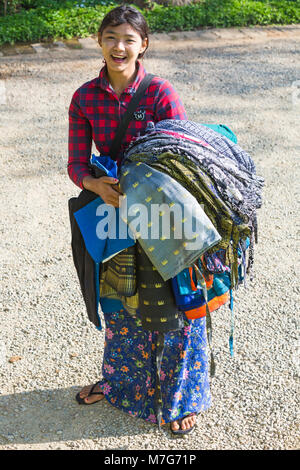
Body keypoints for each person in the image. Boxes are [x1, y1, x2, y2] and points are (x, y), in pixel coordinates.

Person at [68, 4, 211, 435]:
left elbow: (182, 158)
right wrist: (97, 187)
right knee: (120, 301)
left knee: (179, 304)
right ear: (99, 41)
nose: (119, 46)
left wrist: (142, 190)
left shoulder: (160, 93)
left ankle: (182, 398)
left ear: (143, 45)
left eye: (129, 38)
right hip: (111, 214)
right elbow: (76, 163)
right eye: (111, 37)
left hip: (163, 216)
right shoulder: (84, 97)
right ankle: (123, 386)